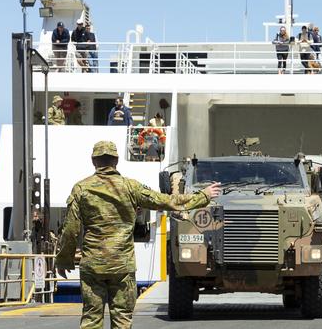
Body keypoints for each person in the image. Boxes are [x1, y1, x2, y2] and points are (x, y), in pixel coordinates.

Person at [55, 141, 221, 329]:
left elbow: (70, 230)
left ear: (93, 161)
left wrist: (64, 260)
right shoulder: (131, 187)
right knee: (122, 320)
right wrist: (204, 196)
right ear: (116, 161)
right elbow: (167, 201)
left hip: (93, 265)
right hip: (122, 265)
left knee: (91, 320)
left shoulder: (81, 189)